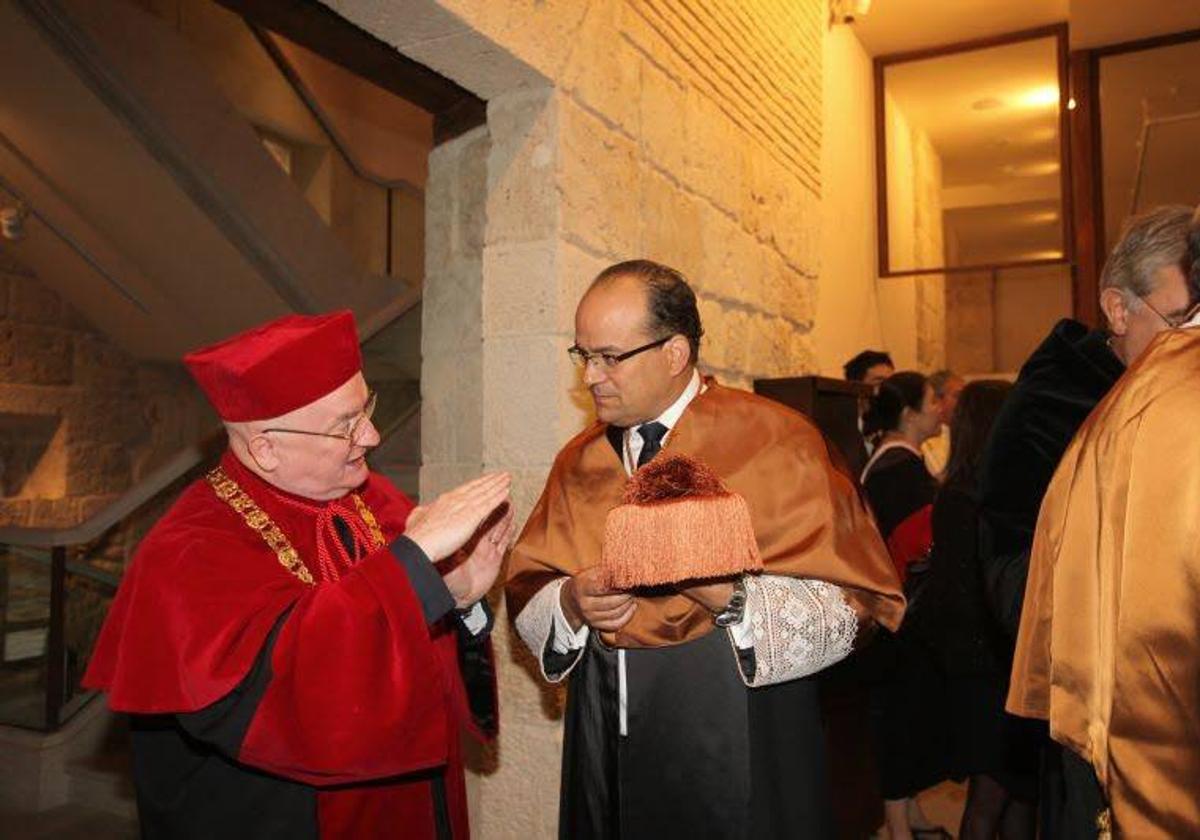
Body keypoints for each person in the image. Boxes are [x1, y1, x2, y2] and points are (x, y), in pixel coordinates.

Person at [505, 259, 904, 839]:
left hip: (740, 727)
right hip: (607, 729)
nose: (591, 377)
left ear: (675, 352)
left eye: (610, 357)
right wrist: (571, 602)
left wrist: (728, 596)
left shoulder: (776, 440)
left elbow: (856, 600)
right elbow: (530, 581)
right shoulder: (579, 461)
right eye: (582, 356)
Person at [84, 310, 513, 839]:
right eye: (345, 425)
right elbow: (289, 697)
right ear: (265, 447)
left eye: (367, 408)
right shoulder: (188, 549)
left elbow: (419, 654)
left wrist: (459, 599)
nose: (373, 436)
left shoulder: (374, 500)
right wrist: (413, 569)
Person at [975, 206, 1195, 836]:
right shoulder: (1052, 406)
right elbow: (1011, 580)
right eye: (1181, 322)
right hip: (1104, 721)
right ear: (1118, 309)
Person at [920, 380, 1033, 840]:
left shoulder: (958, 492)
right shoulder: (987, 495)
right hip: (992, 665)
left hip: (977, 666)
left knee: (1012, 795)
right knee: (995, 798)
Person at [858, 372, 947, 840]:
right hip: (897, 615)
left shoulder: (896, 462)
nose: (941, 409)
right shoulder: (899, 468)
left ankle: (907, 814)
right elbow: (916, 547)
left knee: (906, 715)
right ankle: (897, 826)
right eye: (934, 401)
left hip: (896, 611)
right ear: (910, 414)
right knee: (897, 718)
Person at [920, 369, 964, 479]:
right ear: (938, 399)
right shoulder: (926, 439)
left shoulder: (967, 431)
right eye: (957, 396)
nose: (964, 401)